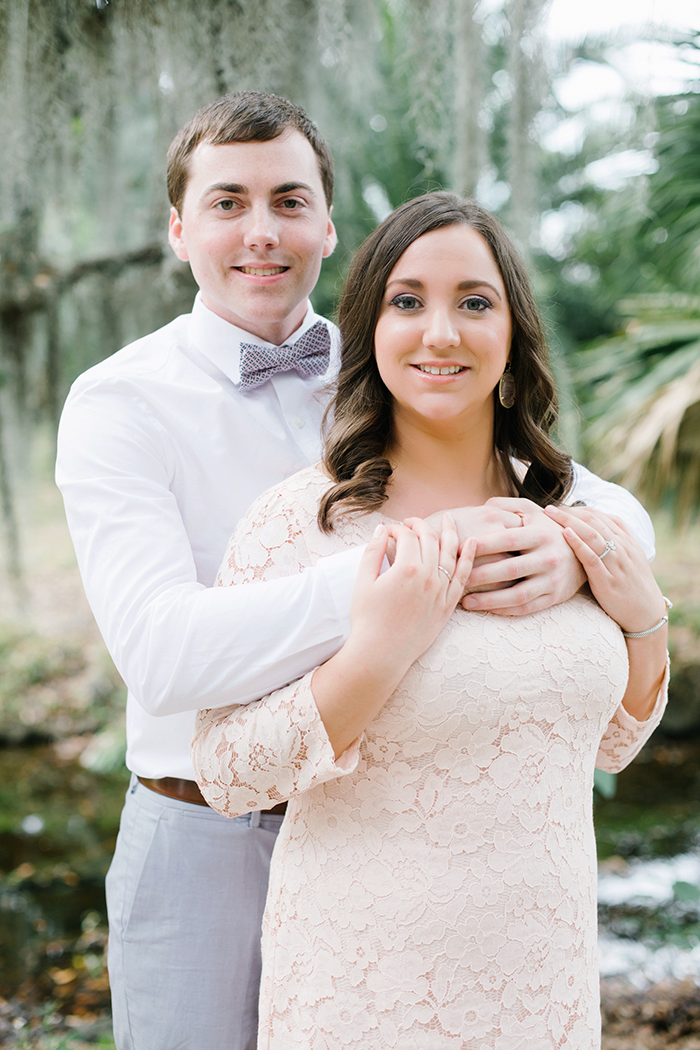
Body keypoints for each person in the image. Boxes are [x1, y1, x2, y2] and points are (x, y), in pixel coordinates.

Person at [55, 92, 654, 1050]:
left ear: (328, 226)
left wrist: (569, 542)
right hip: (202, 827)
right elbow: (162, 656)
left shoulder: (399, 348)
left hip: (388, 817)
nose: (262, 231)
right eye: (227, 203)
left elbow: (594, 496)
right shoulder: (120, 401)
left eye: (290, 201)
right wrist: (417, 571)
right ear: (178, 228)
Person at [192, 192, 669, 1050]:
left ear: (514, 335)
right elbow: (228, 774)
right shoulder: (301, 524)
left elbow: (611, 743)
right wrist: (379, 649)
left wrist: (643, 624)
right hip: (366, 992)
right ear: (369, 329)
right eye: (407, 301)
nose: (440, 332)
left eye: (473, 302)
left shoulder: (569, 514)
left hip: (544, 987)